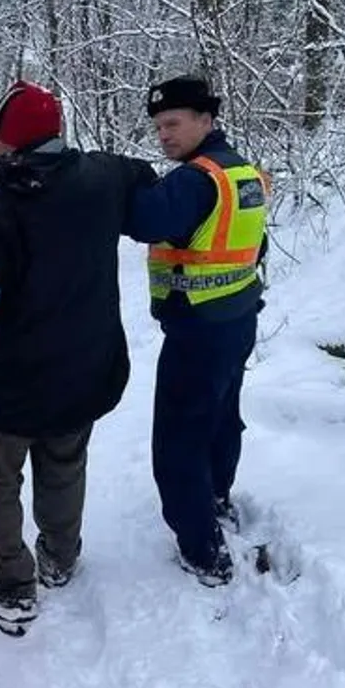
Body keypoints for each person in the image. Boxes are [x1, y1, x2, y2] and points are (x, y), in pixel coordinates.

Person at [0, 81, 154, 636]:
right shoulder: (103, 177)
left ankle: (14, 589)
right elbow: (144, 181)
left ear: (8, 141)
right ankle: (59, 558)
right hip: (88, 366)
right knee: (65, 460)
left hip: (19, 376)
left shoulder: (0, 209)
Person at [123, 75, 269, 588]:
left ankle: (201, 547)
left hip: (197, 327)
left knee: (180, 436)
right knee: (222, 418)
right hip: (237, 316)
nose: (164, 134)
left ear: (206, 121)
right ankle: (216, 497)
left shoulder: (193, 179)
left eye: (173, 123)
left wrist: (123, 179)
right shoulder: (243, 173)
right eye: (158, 126)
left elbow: (142, 219)